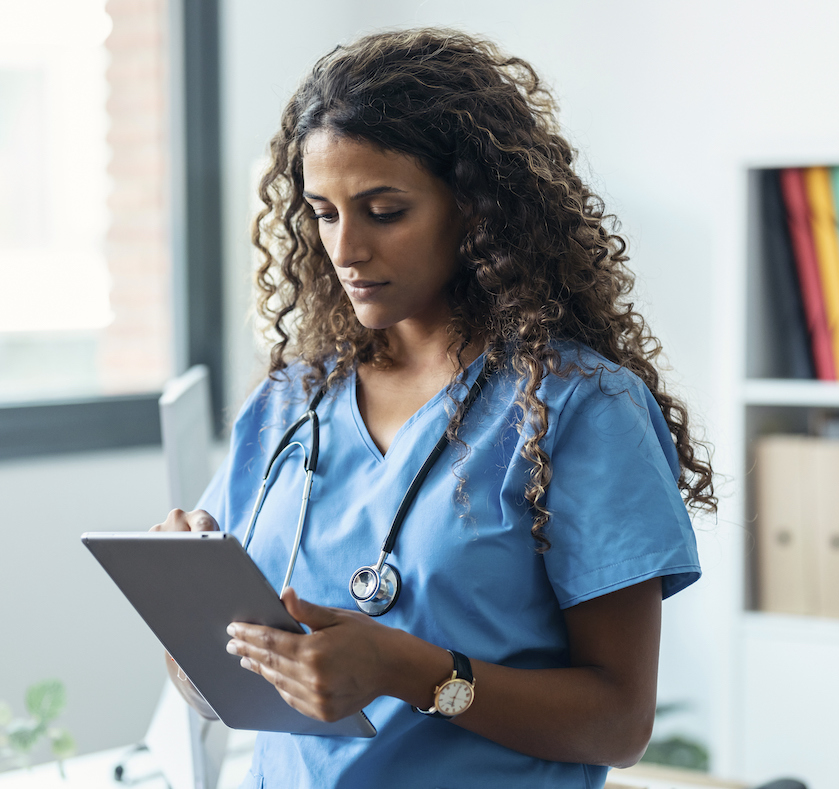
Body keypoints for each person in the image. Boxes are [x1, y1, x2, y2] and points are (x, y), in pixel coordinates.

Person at [152, 27, 715, 789]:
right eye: (322, 212)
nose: (344, 248)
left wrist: (405, 668)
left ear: (476, 209)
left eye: (383, 210)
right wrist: (187, 604)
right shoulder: (289, 402)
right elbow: (217, 695)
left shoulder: (578, 408)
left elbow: (618, 723)